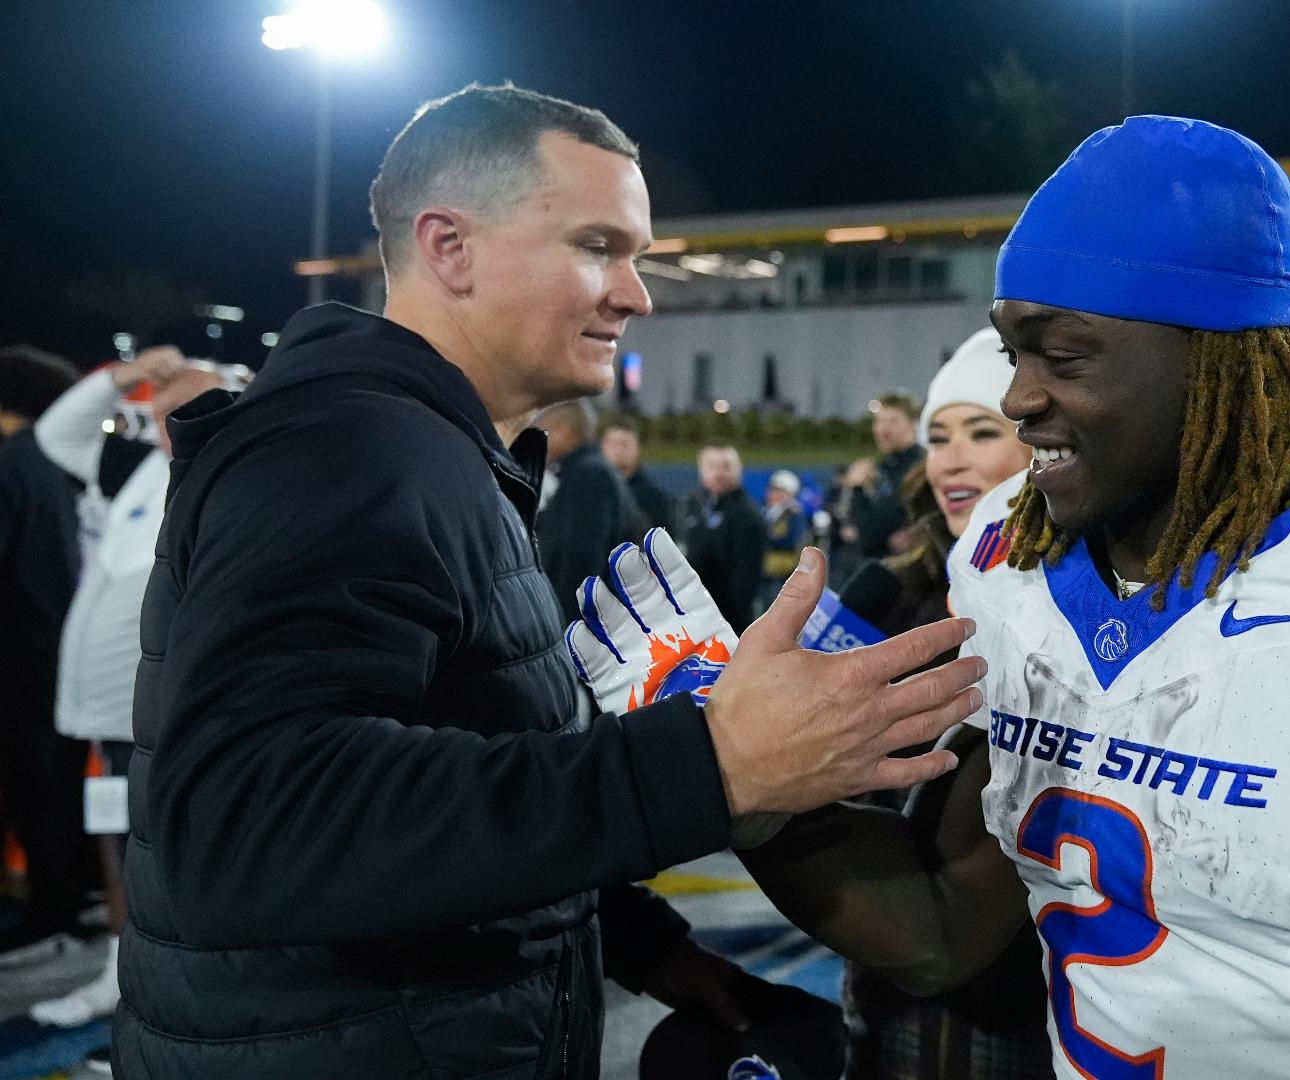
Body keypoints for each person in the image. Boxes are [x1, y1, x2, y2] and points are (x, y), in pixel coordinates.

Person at [574, 117, 1290, 1078]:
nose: (1019, 398)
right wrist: (741, 776)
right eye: (1011, 351)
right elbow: (936, 937)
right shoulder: (1010, 574)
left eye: (1061, 355)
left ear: (1219, 362)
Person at [115, 83, 983, 1078]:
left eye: (637, 256)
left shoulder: (429, 454)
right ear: (449, 247)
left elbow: (444, 778)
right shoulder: (349, 448)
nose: (636, 293)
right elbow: (246, 825)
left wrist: (641, 946)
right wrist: (711, 758)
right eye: (597, 246)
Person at [839, 327, 1053, 1080]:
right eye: (938, 436)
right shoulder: (895, 597)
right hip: (884, 983)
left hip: (1019, 1002)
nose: (951, 461)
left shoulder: (1080, 607)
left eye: (981, 432)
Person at [29, 348, 234, 1072]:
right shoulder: (144, 468)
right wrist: (124, 376)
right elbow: (56, 436)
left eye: (187, 398)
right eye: (161, 402)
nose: (164, 412)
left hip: (163, 711)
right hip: (104, 711)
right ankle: (123, 976)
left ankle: (171, 1005)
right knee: (120, 845)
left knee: (169, 855)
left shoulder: (229, 476)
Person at [0, 344, 85, 966]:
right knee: (60, 785)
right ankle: (70, 897)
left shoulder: (13, 463)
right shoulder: (68, 460)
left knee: (37, 789)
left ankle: (49, 914)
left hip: (22, 648)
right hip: (68, 644)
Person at [534, 397, 643, 610]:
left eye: (543, 430)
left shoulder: (588, 476)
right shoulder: (588, 471)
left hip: (588, 628)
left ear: (564, 431)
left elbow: (581, 563)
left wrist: (567, 628)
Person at [682, 444, 767, 632]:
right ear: (700, 470)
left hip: (728, 625)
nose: (719, 473)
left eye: (726, 466)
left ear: (739, 470)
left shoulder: (749, 516)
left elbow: (746, 584)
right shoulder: (693, 505)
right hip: (692, 620)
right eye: (712, 466)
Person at [848, 392, 926, 558]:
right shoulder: (885, 467)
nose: (883, 430)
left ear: (913, 426)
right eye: (879, 421)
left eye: (893, 421)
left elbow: (870, 534)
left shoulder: (919, 467)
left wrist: (858, 488)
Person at [600, 413, 673, 530]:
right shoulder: (593, 490)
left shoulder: (654, 497)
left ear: (637, 448)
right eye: (612, 444)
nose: (618, 451)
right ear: (602, 447)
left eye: (624, 444)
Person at [762, 468, 808, 600]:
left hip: (782, 572)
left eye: (779, 491)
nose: (773, 494)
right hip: (766, 571)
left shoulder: (794, 513)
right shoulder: (768, 512)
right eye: (772, 490)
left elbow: (790, 540)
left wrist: (764, 539)